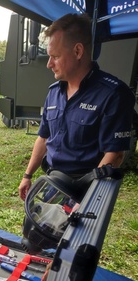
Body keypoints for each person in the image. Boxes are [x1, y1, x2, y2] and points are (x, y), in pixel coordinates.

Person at [18, 13, 135, 201]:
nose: (49, 64)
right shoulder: (54, 92)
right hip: (53, 183)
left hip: (86, 190)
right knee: (36, 230)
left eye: (55, 56)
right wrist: (27, 175)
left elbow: (114, 155)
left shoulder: (113, 94)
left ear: (78, 51)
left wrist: (88, 202)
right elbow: (43, 138)